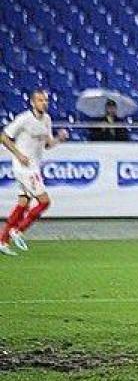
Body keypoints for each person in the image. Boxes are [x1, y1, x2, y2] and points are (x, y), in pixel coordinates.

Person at [0, 90, 69, 256]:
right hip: (24, 167)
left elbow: (47, 144)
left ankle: (2, 241)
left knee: (23, 203)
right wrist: (18, 154)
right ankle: (18, 230)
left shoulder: (46, 119)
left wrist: (59, 139)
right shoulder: (24, 119)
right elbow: (4, 136)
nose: (43, 103)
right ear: (32, 102)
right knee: (44, 201)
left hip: (34, 166)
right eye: (40, 100)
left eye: (45, 100)